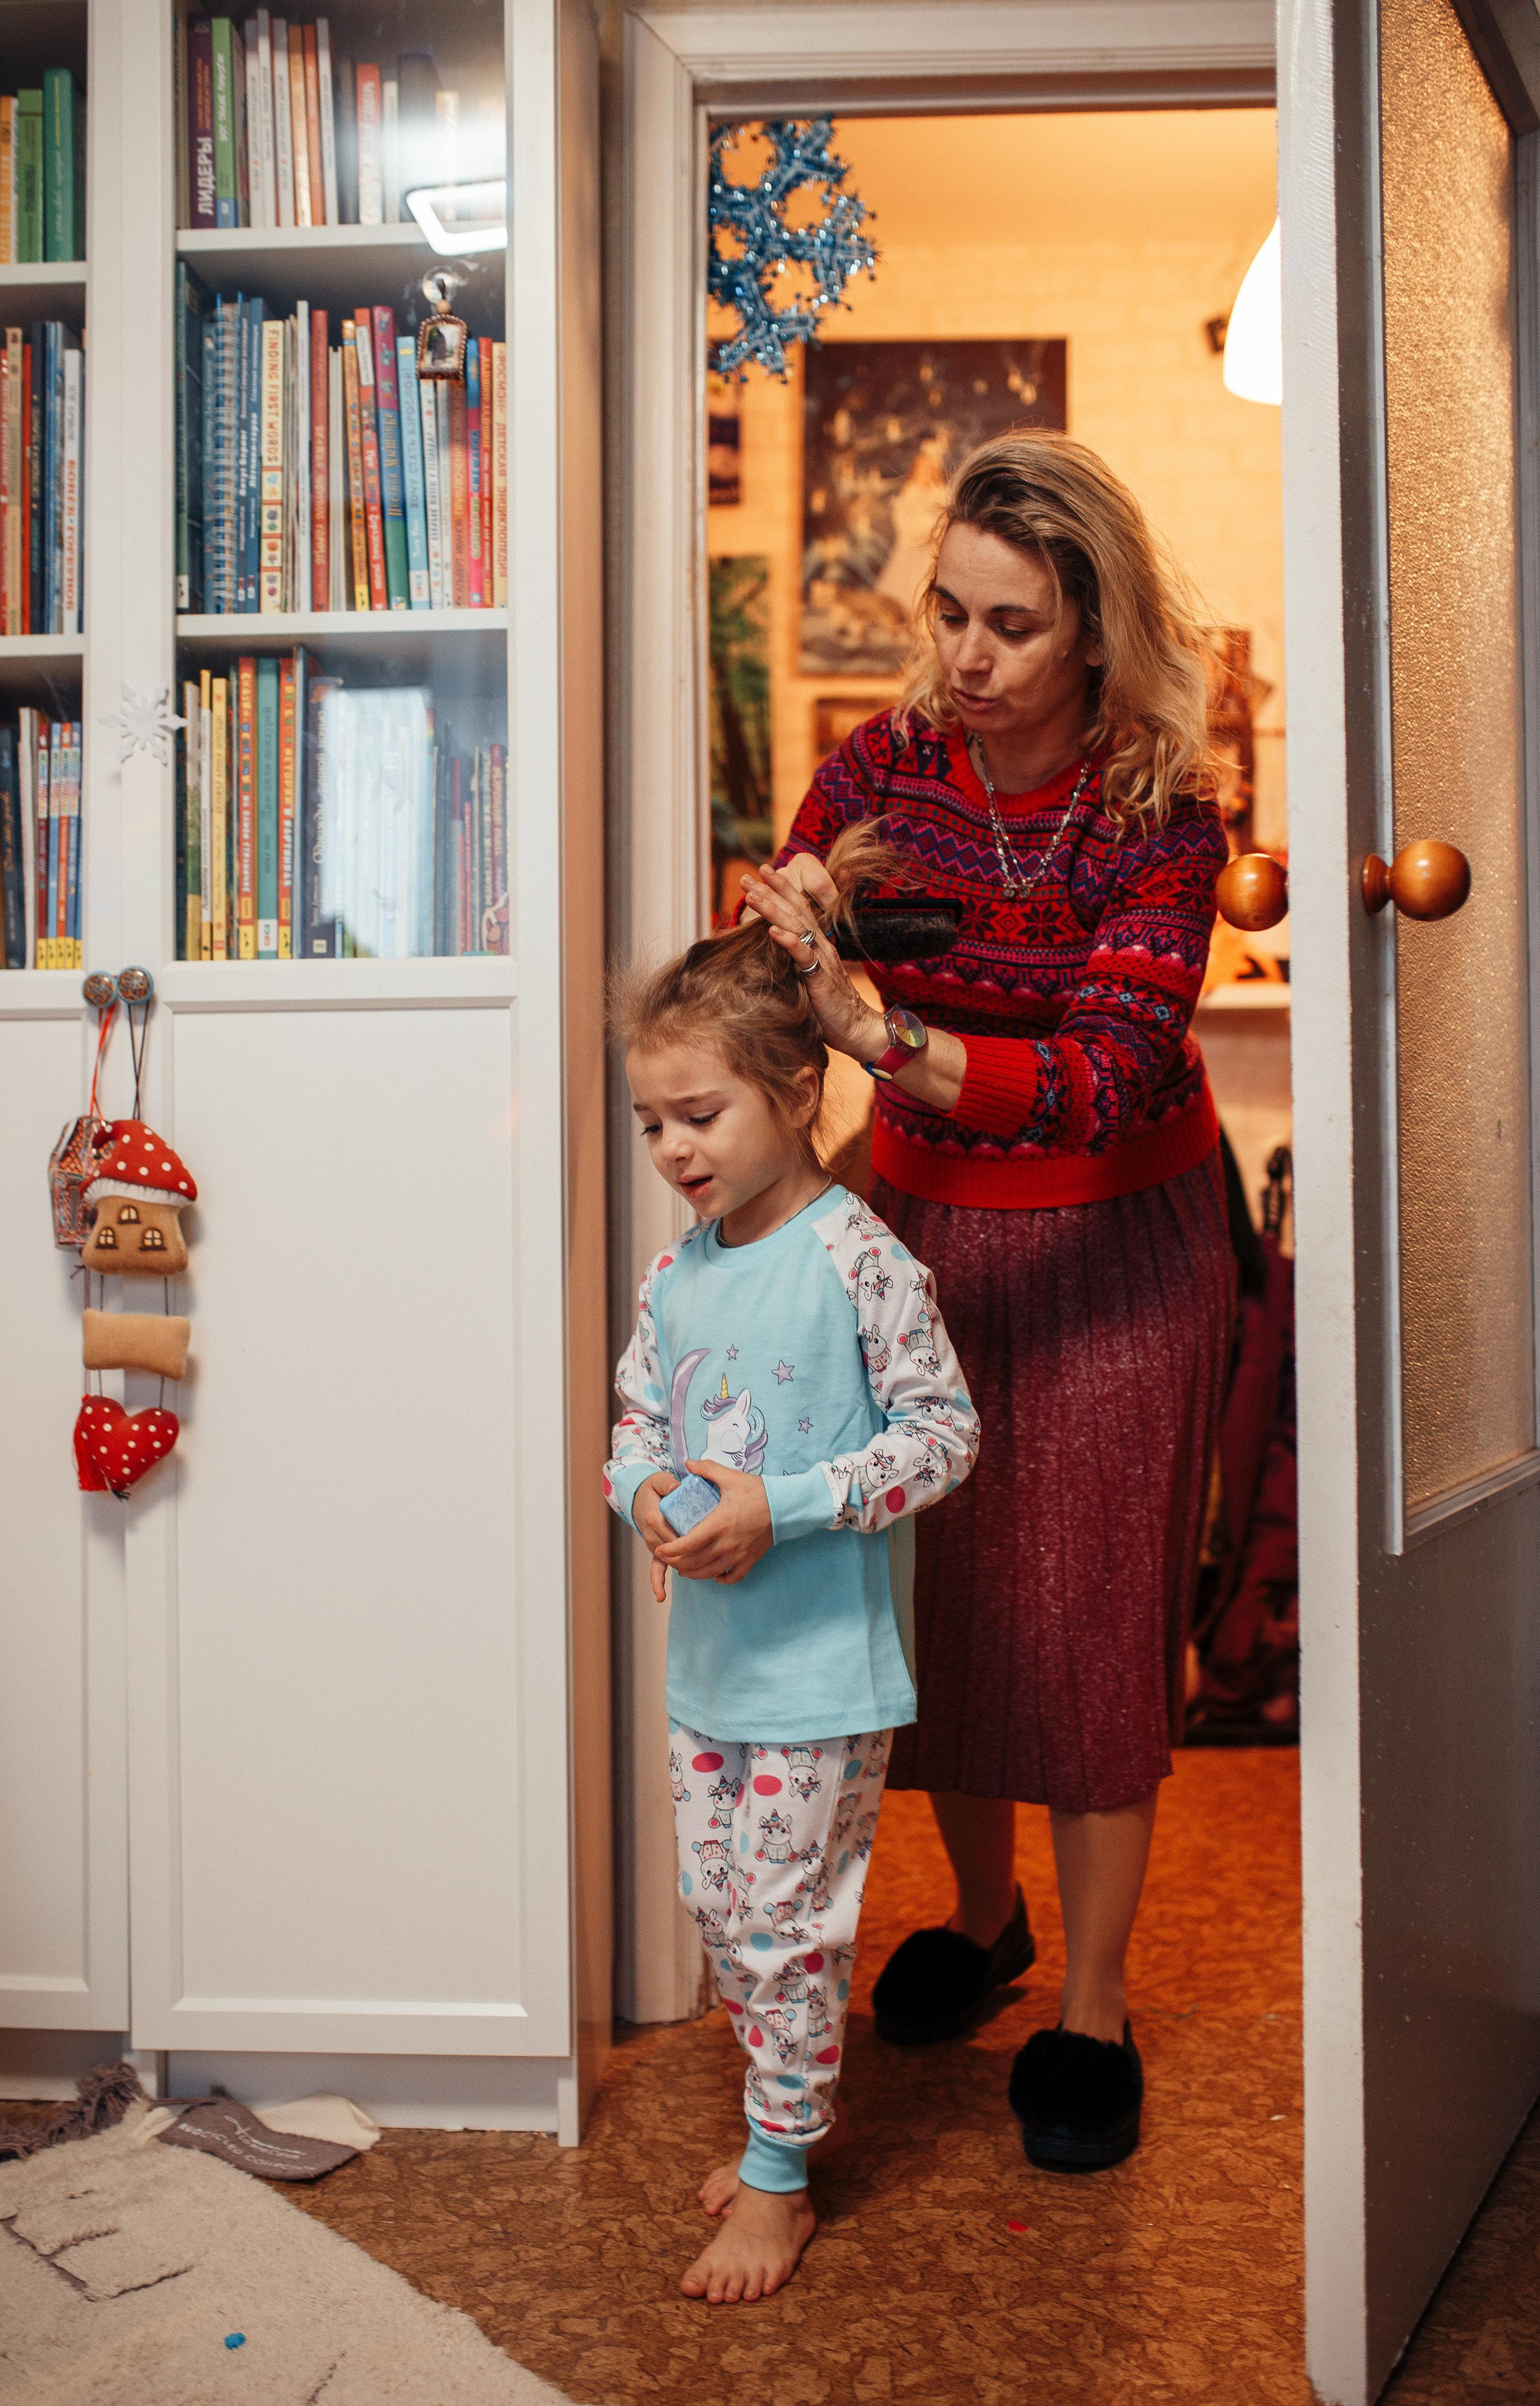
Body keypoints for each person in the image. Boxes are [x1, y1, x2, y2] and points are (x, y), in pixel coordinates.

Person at [739, 431, 1236, 2174]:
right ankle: (984, 1916)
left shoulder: (1162, 806)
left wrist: (891, 1038)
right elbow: (775, 1003)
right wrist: (782, 940)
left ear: (1094, 632)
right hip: (921, 1237)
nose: (963, 659)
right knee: (933, 1605)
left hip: (1115, 1244)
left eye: (1010, 626)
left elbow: (1109, 1070)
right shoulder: (874, 774)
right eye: (947, 613)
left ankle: (1092, 2005)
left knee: (1092, 1624)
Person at [605, 831, 980, 2302]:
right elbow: (634, 1418)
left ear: (794, 1091)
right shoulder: (675, 1271)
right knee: (726, 1918)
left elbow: (943, 1437)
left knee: (781, 1925)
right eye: (650, 1125)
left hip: (820, 1676)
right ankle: (779, 2122)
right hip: (708, 1666)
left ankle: (777, 2179)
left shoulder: (860, 1261)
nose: (672, 1151)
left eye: (694, 1115)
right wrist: (646, 1493)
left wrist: (788, 1505)